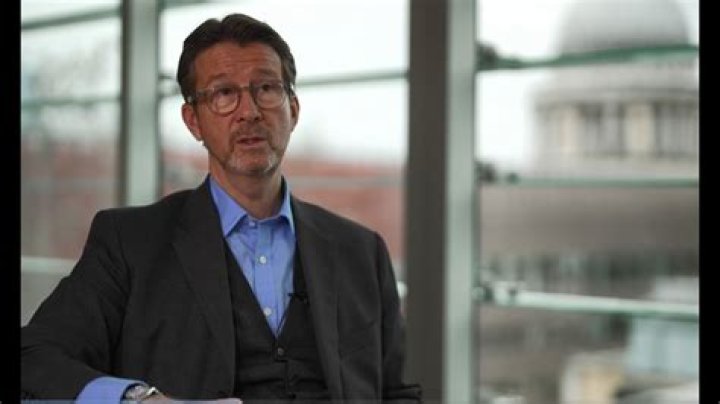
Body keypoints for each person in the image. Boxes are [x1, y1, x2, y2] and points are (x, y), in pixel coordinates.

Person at [21, 13, 421, 404]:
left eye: (267, 88)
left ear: (293, 110)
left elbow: (400, 393)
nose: (249, 111)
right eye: (224, 94)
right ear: (193, 121)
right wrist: (140, 400)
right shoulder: (130, 244)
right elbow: (34, 356)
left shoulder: (361, 252)